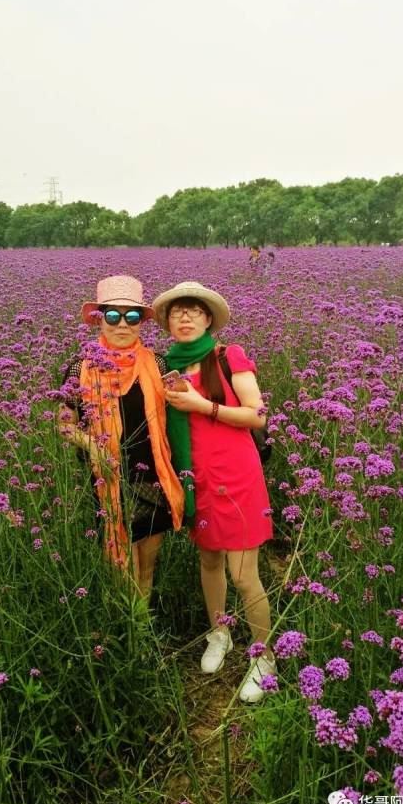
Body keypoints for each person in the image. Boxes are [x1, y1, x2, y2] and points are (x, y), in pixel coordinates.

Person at [152, 281, 275, 703]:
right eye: (176, 312)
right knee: (209, 559)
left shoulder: (226, 356)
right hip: (195, 476)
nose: (184, 317)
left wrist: (202, 406)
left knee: (244, 575)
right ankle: (219, 632)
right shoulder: (163, 365)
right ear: (167, 322)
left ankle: (264, 657)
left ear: (208, 319)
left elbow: (257, 415)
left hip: (237, 473)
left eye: (193, 311)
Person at [57, 275, 184, 600]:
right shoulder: (79, 367)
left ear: (141, 322)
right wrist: (91, 446)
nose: (122, 324)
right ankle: (129, 630)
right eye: (112, 316)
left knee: (146, 565)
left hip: (151, 476)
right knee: (120, 566)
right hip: (106, 476)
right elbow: (63, 424)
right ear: (99, 319)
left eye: (132, 316)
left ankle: (141, 633)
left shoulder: (157, 363)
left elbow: (182, 408)